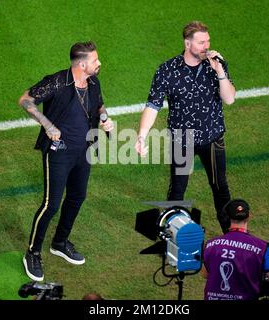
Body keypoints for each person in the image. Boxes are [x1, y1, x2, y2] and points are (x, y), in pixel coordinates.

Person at [18, 41, 114, 281]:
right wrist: (47, 124)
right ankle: (32, 252)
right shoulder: (57, 81)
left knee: (77, 197)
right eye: (95, 60)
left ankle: (59, 242)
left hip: (84, 150)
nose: (99, 63)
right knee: (51, 204)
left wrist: (105, 119)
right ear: (82, 64)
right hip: (59, 152)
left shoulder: (93, 82)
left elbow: (99, 104)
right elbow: (25, 101)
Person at [135, 21, 236, 233]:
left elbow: (229, 99)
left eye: (207, 41)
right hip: (183, 140)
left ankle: (231, 237)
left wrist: (220, 72)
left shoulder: (217, 65)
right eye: (201, 42)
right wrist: (142, 136)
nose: (206, 46)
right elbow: (153, 106)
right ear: (187, 43)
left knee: (221, 188)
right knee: (177, 190)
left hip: (212, 138)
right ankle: (171, 235)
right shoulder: (167, 70)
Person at [202, 199, 269, 300]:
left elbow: (205, 274)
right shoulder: (262, 248)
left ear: (228, 217)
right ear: (249, 216)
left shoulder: (211, 245)